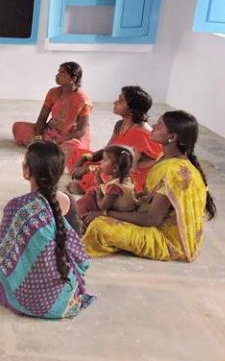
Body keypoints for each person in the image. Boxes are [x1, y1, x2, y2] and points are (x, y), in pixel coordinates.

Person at [0, 142, 93, 320]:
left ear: (27, 171)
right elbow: (76, 253)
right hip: (65, 297)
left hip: (28, 301)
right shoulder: (69, 201)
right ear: (59, 173)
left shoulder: (18, 207)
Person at [83, 111, 217, 262]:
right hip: (153, 219)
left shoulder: (172, 171)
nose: (153, 126)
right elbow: (149, 197)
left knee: (99, 227)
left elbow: (152, 219)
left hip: (168, 241)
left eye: (159, 126)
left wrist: (107, 213)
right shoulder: (166, 158)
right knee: (95, 199)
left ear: (172, 137)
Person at [68, 86, 162, 194]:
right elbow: (108, 150)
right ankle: (88, 182)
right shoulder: (120, 124)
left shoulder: (144, 133)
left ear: (132, 110)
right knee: (76, 154)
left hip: (128, 174)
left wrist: (90, 168)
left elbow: (159, 159)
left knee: (98, 183)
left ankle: (90, 188)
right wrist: (85, 158)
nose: (115, 102)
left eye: (121, 101)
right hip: (112, 164)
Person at [12, 62, 93, 169]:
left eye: (62, 72)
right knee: (18, 127)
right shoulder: (53, 92)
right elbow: (42, 118)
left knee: (76, 148)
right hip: (50, 131)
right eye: (58, 71)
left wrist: (62, 139)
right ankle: (50, 149)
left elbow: (81, 130)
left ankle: (49, 149)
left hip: (71, 136)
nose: (57, 75)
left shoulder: (83, 99)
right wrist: (38, 137)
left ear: (73, 78)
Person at [76, 145, 137, 228]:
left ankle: (78, 221)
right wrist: (98, 181)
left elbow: (103, 206)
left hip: (119, 218)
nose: (101, 162)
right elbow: (105, 189)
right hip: (123, 211)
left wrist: (98, 190)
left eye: (104, 160)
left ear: (115, 168)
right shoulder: (125, 179)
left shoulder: (115, 186)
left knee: (89, 198)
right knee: (90, 194)